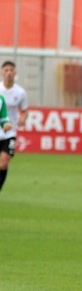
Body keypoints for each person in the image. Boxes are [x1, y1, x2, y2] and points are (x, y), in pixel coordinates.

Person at [0, 61, 27, 193]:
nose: (9, 73)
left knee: (4, 162)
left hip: (10, 134)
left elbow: (25, 110)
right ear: (1, 73)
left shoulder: (20, 92)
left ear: (15, 73)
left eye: (11, 70)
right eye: (6, 70)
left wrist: (23, 118)